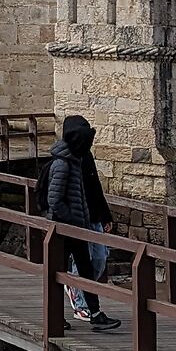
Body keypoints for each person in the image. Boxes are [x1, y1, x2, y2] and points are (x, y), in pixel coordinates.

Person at [41, 115, 120, 329]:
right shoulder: (62, 165)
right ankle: (60, 314)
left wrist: (102, 215)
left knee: (87, 267)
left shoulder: (79, 159)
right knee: (58, 271)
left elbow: (91, 191)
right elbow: (54, 200)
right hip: (64, 228)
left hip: (79, 226)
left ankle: (94, 313)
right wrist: (72, 219)